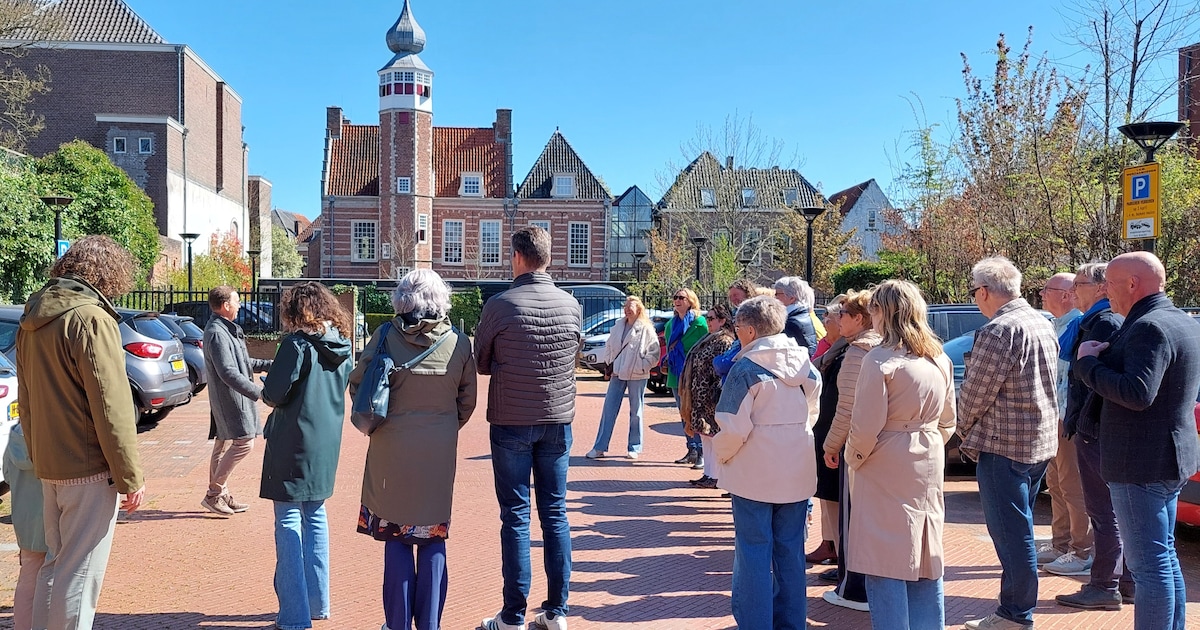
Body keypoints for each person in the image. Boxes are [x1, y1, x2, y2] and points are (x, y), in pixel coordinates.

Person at [16, 235, 145, 630]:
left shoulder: (32, 318)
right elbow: (112, 406)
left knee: (56, 567)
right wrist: (130, 475)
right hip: (88, 466)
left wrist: (41, 458)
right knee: (78, 576)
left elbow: (28, 399)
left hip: (51, 466)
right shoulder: (91, 319)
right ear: (110, 273)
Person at [1075, 251, 1200, 630]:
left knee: (1149, 566)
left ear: (1133, 284)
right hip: (1169, 457)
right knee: (1163, 557)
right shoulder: (1182, 321)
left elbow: (1137, 393)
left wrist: (1087, 363)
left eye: (1109, 285)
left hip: (1139, 464)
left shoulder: (1149, 327)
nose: (1105, 293)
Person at [349, 269, 477, 630]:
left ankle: (398, 623)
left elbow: (359, 383)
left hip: (391, 447)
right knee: (434, 536)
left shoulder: (385, 335)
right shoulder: (458, 343)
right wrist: (442, 428)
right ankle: (431, 623)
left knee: (396, 537)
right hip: (437, 451)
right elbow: (466, 403)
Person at [476, 226, 581, 630]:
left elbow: (482, 361)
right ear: (548, 258)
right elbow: (572, 353)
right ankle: (557, 611)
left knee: (516, 516)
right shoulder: (571, 305)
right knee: (556, 513)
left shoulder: (500, 305)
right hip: (557, 419)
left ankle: (513, 615)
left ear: (517, 256)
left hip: (511, 419)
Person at [846, 280, 957, 630]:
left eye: (874, 309)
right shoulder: (938, 357)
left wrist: (855, 458)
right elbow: (948, 421)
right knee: (926, 555)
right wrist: (927, 441)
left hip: (886, 456)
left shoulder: (880, 358)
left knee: (883, 560)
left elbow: (864, 426)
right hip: (927, 453)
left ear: (885, 312)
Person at [958, 256, 1060, 630]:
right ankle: (1014, 610)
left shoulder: (999, 330)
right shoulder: (1040, 321)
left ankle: (1015, 614)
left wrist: (960, 427)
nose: (975, 300)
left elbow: (974, 395)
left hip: (1005, 446)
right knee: (1020, 530)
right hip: (1037, 443)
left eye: (975, 293)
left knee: (1012, 536)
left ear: (984, 291)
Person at [712, 295, 820, 630]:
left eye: (739, 327)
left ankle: (755, 624)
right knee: (790, 553)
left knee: (754, 554)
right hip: (796, 468)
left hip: (753, 473)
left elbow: (731, 425)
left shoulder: (746, 368)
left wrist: (722, 456)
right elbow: (812, 411)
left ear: (749, 329)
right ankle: (792, 624)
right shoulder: (806, 364)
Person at [259, 282, 354, 630]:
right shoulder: (342, 345)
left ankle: (294, 617)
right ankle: (318, 603)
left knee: (287, 521)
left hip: (293, 441)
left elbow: (274, 394)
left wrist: (268, 383)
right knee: (315, 516)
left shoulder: (297, 345)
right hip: (326, 442)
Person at [1055, 262, 1132, 611]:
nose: (1073, 291)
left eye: (1080, 283)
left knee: (1105, 513)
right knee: (1109, 512)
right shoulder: (1089, 322)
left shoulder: (1105, 323)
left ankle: (1104, 585)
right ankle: (1125, 582)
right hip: (1091, 427)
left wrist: (1083, 420)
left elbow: (1096, 379)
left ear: (1101, 288)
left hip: (1095, 430)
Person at [821, 288, 881, 611]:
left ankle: (853, 589)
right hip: (886, 449)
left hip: (857, 448)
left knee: (853, 520)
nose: (836, 319)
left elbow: (846, 409)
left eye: (842, 313)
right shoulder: (892, 348)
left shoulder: (859, 353)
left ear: (859, 319)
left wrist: (831, 445)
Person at [1036, 273, 1093, 576]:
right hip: (1053, 417)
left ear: (1069, 295)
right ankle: (1061, 543)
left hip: (1067, 418)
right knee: (1055, 482)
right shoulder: (1053, 326)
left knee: (1072, 484)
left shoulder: (1077, 327)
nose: (1042, 294)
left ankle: (1081, 550)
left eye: (1048, 290)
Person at [201, 285, 273, 515]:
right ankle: (214, 493)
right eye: (237, 301)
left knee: (222, 446)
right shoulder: (217, 333)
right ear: (225, 306)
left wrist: (269, 365)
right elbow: (228, 372)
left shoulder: (226, 329)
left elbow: (243, 361)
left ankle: (219, 494)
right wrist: (257, 392)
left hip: (233, 397)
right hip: (231, 399)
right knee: (244, 442)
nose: (240, 305)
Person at [586, 296, 660, 460]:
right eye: (625, 306)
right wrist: (608, 362)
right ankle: (599, 447)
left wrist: (642, 366)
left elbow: (654, 353)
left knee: (636, 411)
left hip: (637, 375)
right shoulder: (618, 326)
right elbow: (609, 346)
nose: (627, 309)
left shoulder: (646, 329)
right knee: (609, 410)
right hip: (617, 373)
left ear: (639, 308)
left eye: (630, 306)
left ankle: (634, 446)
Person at [805, 296, 847, 565]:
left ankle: (838, 552)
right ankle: (829, 544)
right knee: (826, 496)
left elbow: (843, 403)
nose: (826, 322)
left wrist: (832, 443)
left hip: (837, 435)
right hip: (824, 431)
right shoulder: (829, 348)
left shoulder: (848, 354)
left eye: (830, 318)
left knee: (835, 496)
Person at [678, 303, 737, 489]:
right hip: (699, 396)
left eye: (711, 318)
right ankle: (708, 473)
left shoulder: (725, 341)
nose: (708, 322)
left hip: (712, 396)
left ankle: (716, 476)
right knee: (705, 436)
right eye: (707, 318)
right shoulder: (709, 338)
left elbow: (721, 371)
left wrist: (713, 393)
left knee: (713, 436)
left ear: (722, 320)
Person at [4, 422, 48, 630]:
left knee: (27, 579)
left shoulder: (15, 435)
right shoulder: (50, 434)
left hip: (24, 520)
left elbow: (7, 473)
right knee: (53, 580)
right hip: (52, 517)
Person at [665, 287, 709, 467]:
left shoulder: (700, 323)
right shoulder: (670, 325)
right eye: (675, 297)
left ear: (691, 300)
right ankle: (691, 449)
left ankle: (701, 451)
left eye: (681, 297)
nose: (677, 300)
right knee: (683, 413)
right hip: (677, 375)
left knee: (695, 412)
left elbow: (706, 347)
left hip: (694, 374)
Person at [774, 276, 818, 355]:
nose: (775, 297)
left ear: (791, 298)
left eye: (777, 294)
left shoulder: (791, 322)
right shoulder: (801, 315)